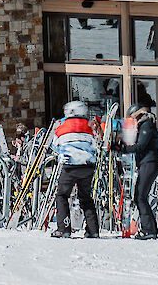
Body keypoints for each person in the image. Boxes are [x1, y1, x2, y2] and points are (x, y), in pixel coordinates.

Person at [50, 101, 99, 238]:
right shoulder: (89, 126)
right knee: (85, 197)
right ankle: (93, 229)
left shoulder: (61, 125)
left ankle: (64, 228)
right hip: (88, 165)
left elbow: (55, 145)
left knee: (62, 195)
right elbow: (95, 143)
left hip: (70, 164)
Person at [120, 104, 158, 239]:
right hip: (147, 163)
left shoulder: (147, 126)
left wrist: (122, 148)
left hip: (149, 163)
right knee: (140, 197)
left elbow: (140, 147)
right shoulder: (145, 126)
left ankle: (148, 230)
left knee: (140, 197)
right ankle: (150, 229)